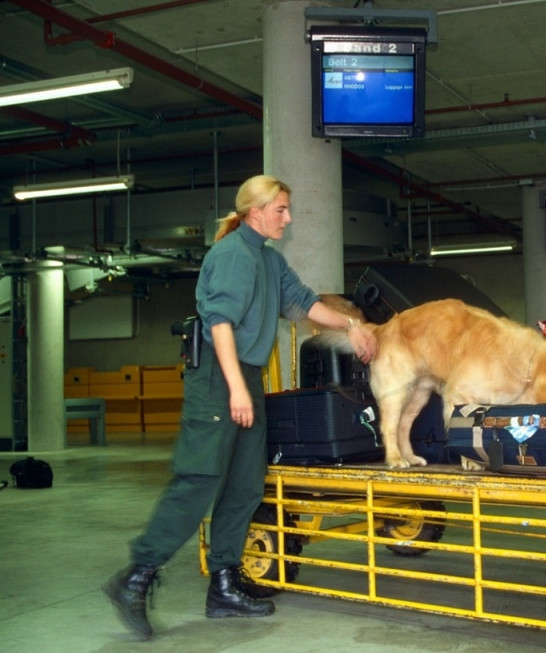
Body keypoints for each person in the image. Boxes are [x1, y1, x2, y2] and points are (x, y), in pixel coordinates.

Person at [104, 174, 377, 639]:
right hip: (218, 376)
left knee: (246, 484)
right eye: (281, 210)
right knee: (201, 478)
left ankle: (224, 585)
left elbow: (304, 304)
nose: (287, 220)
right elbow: (220, 326)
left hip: (243, 375)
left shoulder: (269, 260)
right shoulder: (231, 255)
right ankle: (135, 577)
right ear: (255, 211)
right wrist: (235, 389)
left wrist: (352, 325)